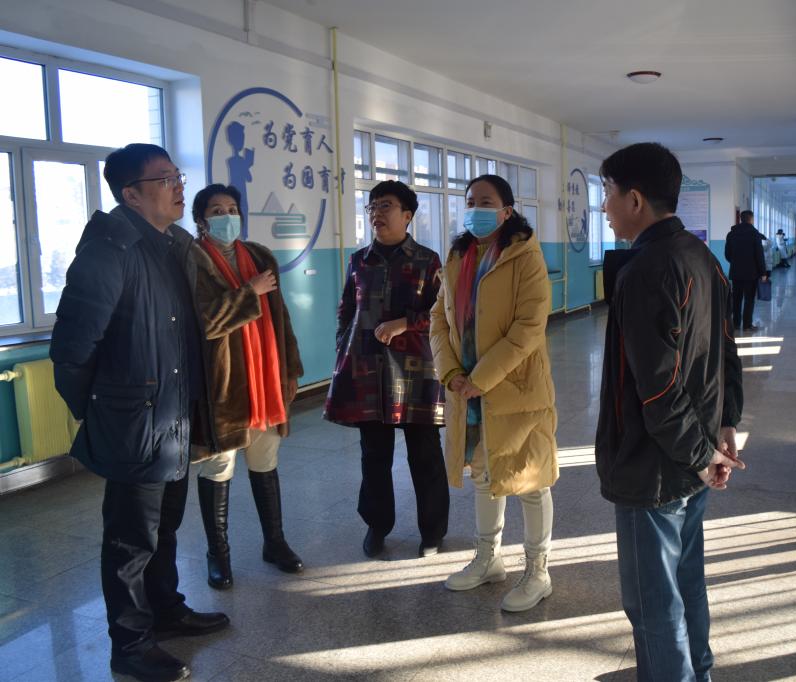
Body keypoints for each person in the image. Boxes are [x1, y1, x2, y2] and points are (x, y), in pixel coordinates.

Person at [50, 144, 229, 682]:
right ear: (131, 194)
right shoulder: (111, 249)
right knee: (130, 541)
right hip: (136, 424)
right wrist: (104, 411)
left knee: (165, 526)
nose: (179, 186)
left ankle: (166, 609)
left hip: (173, 418)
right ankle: (129, 645)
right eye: (165, 179)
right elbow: (73, 349)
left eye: (178, 175)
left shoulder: (172, 244)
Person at [594, 142, 745, 682]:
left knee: (652, 604)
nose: (605, 206)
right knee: (685, 582)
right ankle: (698, 672)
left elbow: (656, 391)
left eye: (608, 193)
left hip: (653, 466)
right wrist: (723, 429)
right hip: (693, 455)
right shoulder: (702, 257)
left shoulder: (646, 271)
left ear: (635, 199)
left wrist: (701, 455)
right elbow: (727, 352)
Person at [429, 174, 558, 613]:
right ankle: (488, 559)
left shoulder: (525, 256)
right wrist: (450, 371)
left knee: (530, 481)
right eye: (470, 201)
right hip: (468, 389)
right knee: (484, 476)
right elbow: (439, 319)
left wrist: (480, 377)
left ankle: (538, 571)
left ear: (507, 211)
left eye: (485, 202)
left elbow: (529, 326)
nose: (475, 209)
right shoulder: (459, 255)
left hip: (515, 388)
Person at [189, 183, 305, 591]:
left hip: (265, 377)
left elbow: (280, 317)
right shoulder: (192, 260)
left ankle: (275, 542)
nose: (227, 216)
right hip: (223, 383)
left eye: (232, 208)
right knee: (219, 465)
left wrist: (290, 370)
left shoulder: (258, 256)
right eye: (217, 210)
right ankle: (218, 555)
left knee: (265, 458)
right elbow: (205, 323)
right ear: (201, 219)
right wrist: (248, 292)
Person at [325, 180, 449, 559]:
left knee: (425, 455)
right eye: (372, 207)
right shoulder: (358, 261)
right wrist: (343, 348)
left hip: (416, 373)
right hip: (368, 373)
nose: (377, 214)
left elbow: (441, 315)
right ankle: (377, 526)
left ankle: (432, 532)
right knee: (374, 457)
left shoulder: (428, 261)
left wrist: (404, 323)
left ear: (407, 215)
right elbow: (346, 311)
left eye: (386, 206)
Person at [724, 210, 768, 331]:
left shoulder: (731, 234)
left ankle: (736, 324)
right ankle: (747, 325)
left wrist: (735, 263)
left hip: (736, 272)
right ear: (751, 219)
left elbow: (727, 254)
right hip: (751, 273)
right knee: (749, 300)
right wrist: (763, 273)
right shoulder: (755, 234)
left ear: (741, 219)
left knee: (736, 299)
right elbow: (759, 255)